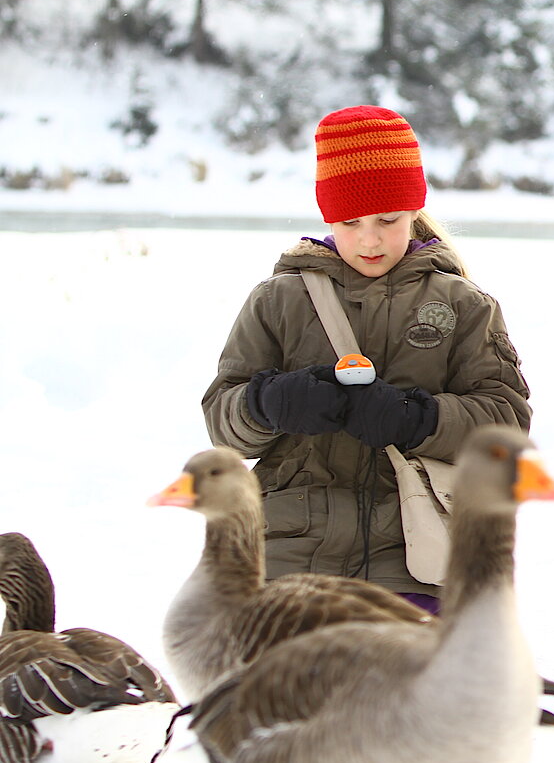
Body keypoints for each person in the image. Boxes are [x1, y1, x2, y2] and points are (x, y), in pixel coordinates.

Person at [202, 105, 531, 614]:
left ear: (414, 210)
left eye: (388, 219)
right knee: (284, 685)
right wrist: (269, 403)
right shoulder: (278, 300)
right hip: (288, 553)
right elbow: (223, 423)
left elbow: (506, 426)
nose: (370, 238)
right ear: (328, 215)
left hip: (416, 556)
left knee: (402, 680)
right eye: (351, 221)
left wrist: (418, 418)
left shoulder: (463, 304)